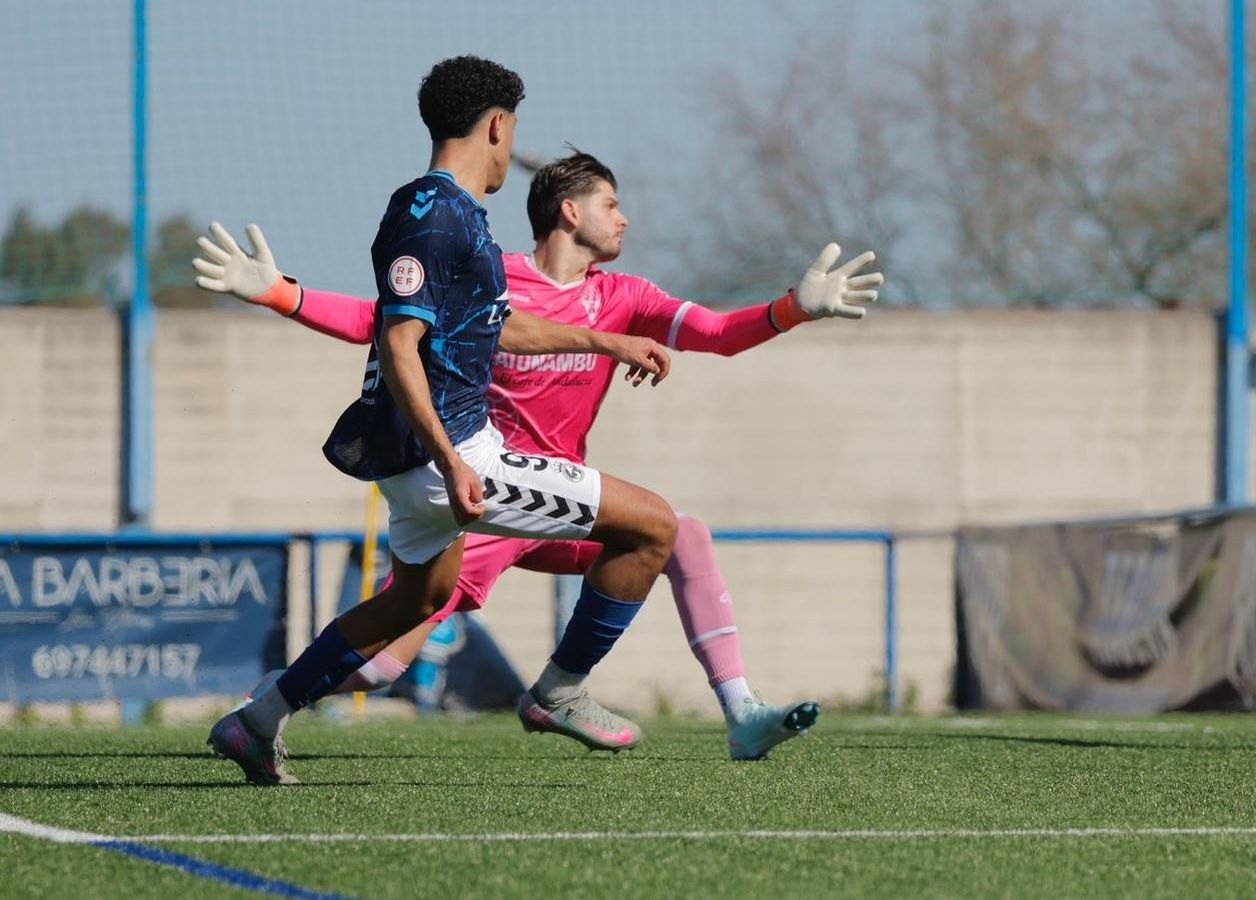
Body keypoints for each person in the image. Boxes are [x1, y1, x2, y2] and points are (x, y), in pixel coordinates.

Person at [196, 150, 883, 760]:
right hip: (476, 492)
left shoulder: (625, 296)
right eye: (611, 204)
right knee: (381, 668)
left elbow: (717, 334)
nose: (625, 220)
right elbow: (379, 322)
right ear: (568, 210)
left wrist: (794, 308)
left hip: (553, 504)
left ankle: (739, 715)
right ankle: (264, 706)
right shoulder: (496, 278)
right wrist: (281, 293)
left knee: (677, 533)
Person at [205, 57, 683, 786]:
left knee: (418, 599)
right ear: (497, 126)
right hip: (452, 457)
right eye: (512, 130)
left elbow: (494, 330)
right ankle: (558, 691)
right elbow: (398, 347)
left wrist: (603, 340)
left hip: (434, 459)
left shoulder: (456, 215)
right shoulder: (430, 215)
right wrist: (456, 463)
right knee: (653, 525)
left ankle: (260, 718)